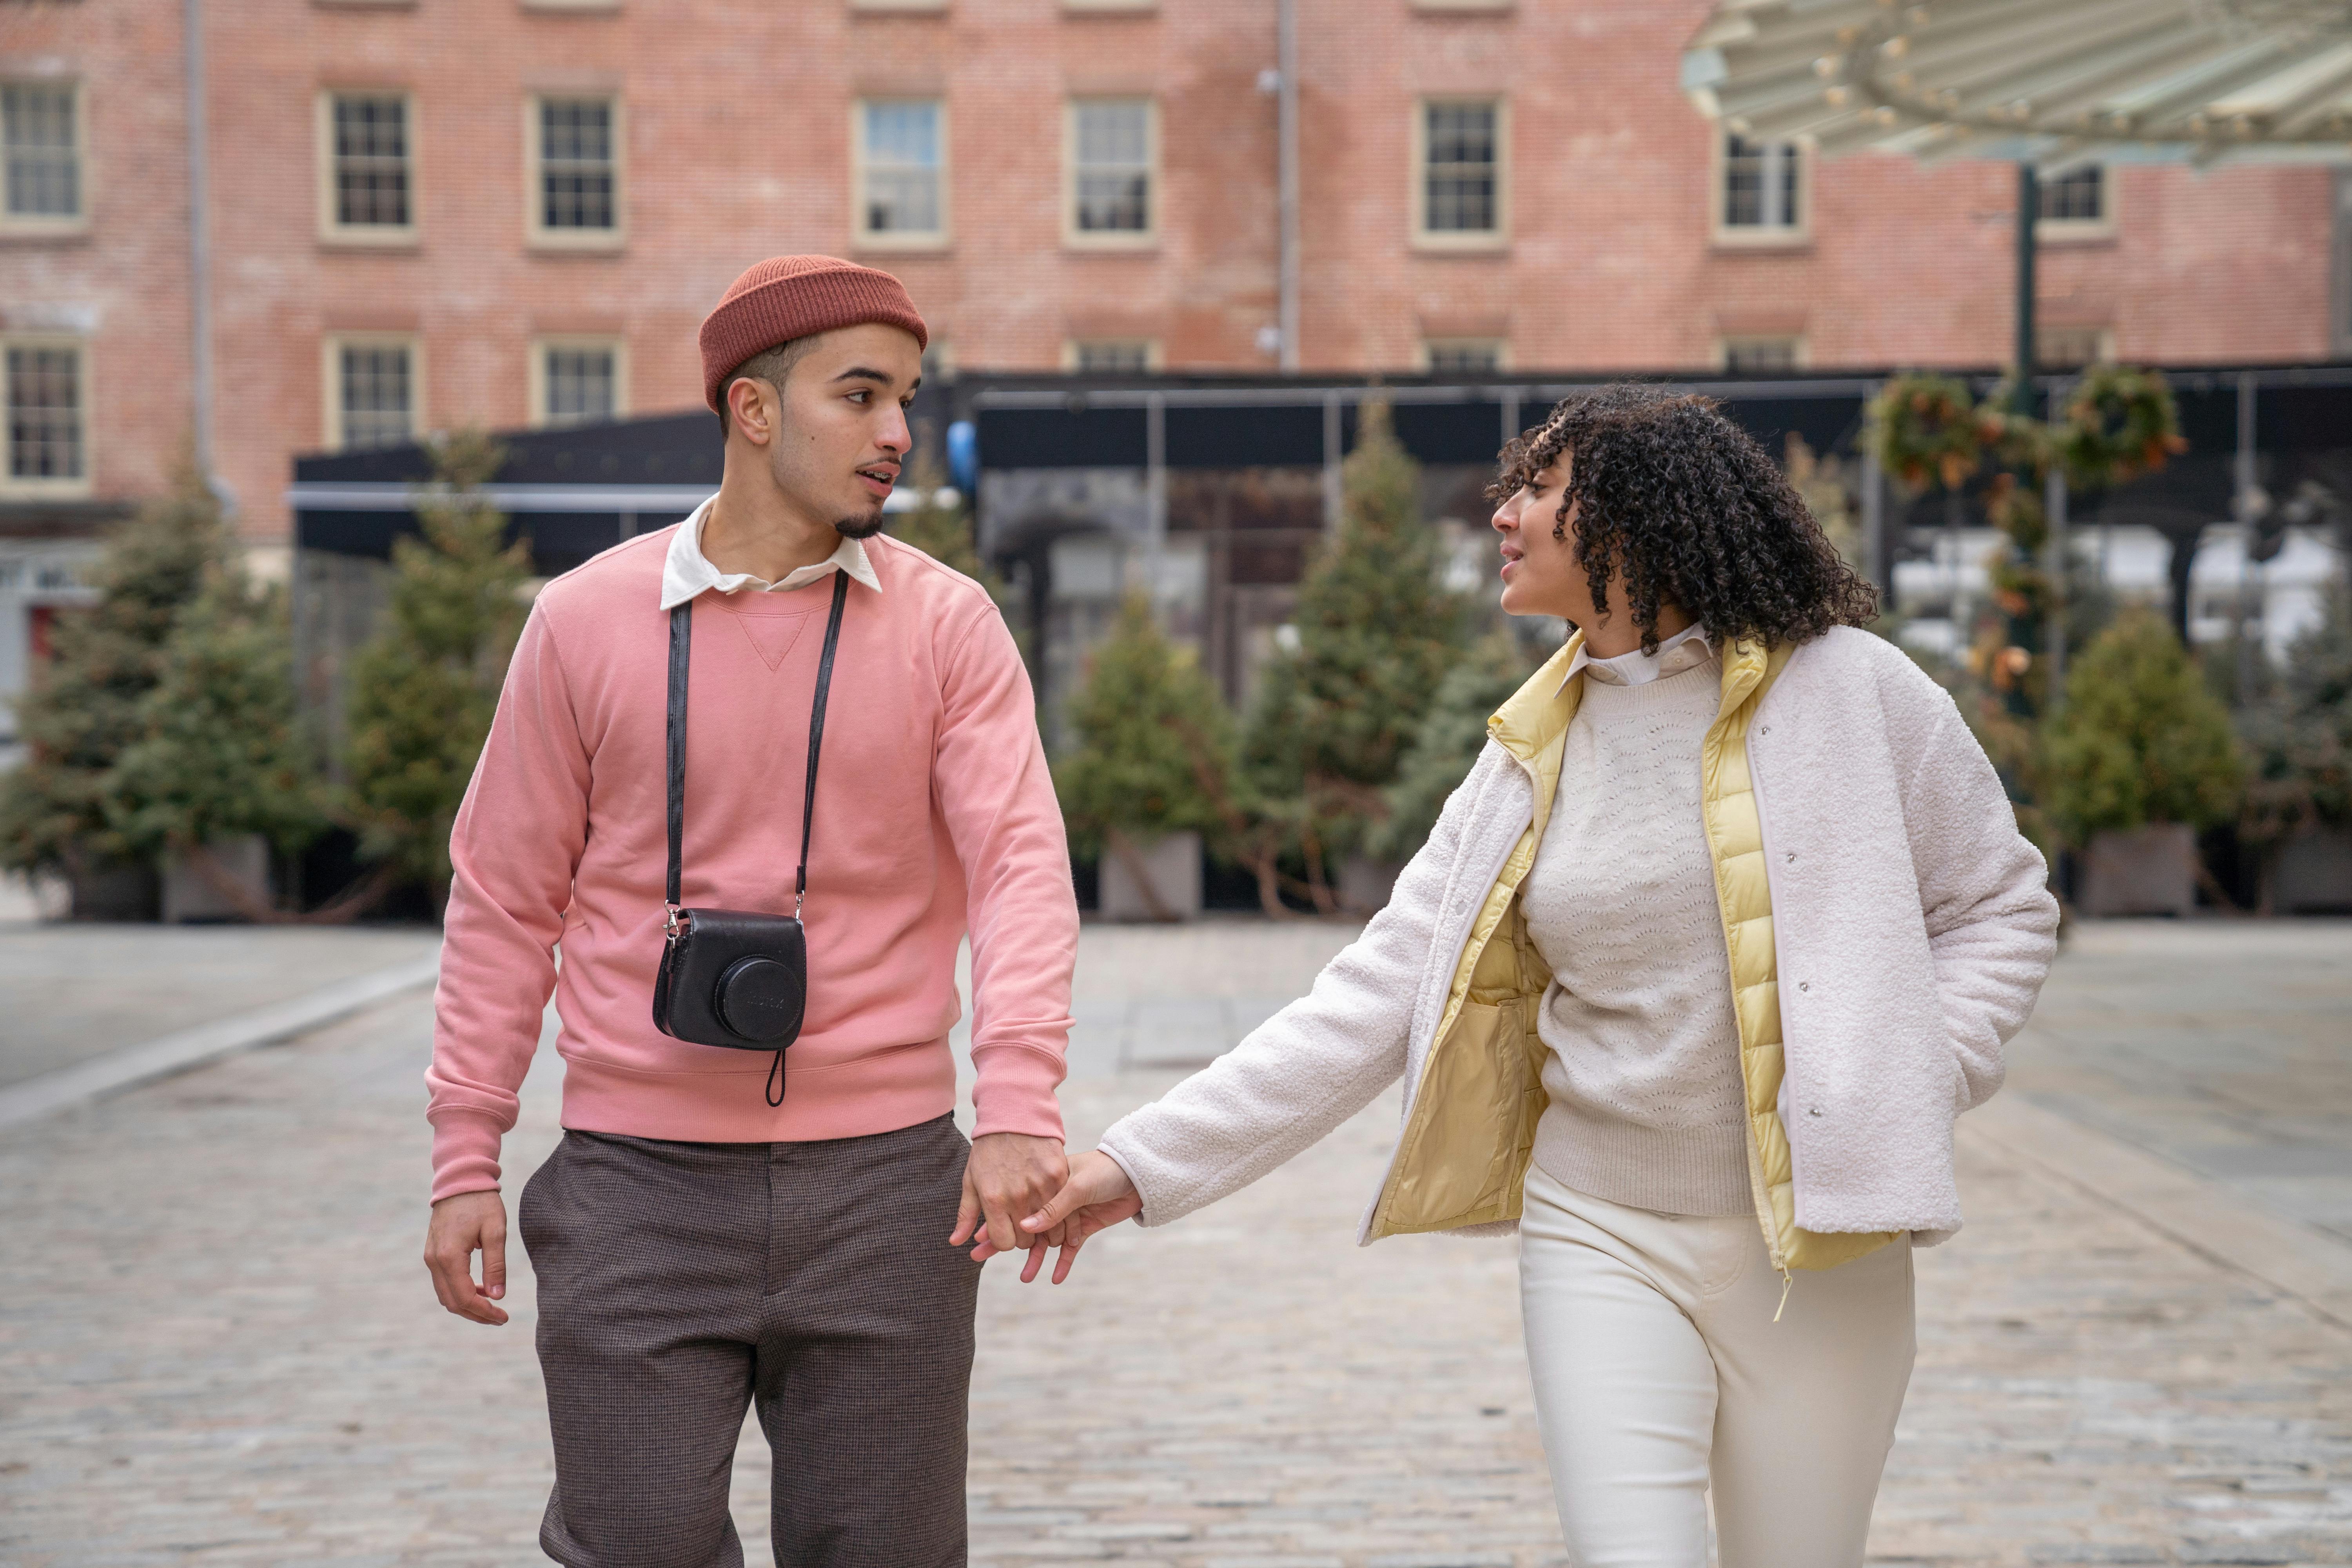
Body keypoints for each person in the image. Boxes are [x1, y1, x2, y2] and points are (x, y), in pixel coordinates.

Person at [1014, 387, 2060, 1567]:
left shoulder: (1857, 692)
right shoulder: (1528, 748)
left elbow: (2001, 906)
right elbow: (1374, 994)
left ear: (1639, 517)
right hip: (1598, 1229)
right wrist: (1139, 1165)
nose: (1501, 513)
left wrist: (1920, 1071)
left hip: (1822, 1249)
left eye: (1538, 489)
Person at [421, 255, 1080, 1567]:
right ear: (754, 408)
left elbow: (1021, 870)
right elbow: (502, 901)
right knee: (636, 1543)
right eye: (860, 395)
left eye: (905, 399)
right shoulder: (582, 621)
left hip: (890, 1190)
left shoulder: (950, 626)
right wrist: (463, 1157)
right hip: (634, 1188)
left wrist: (1017, 1106)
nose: (897, 434)